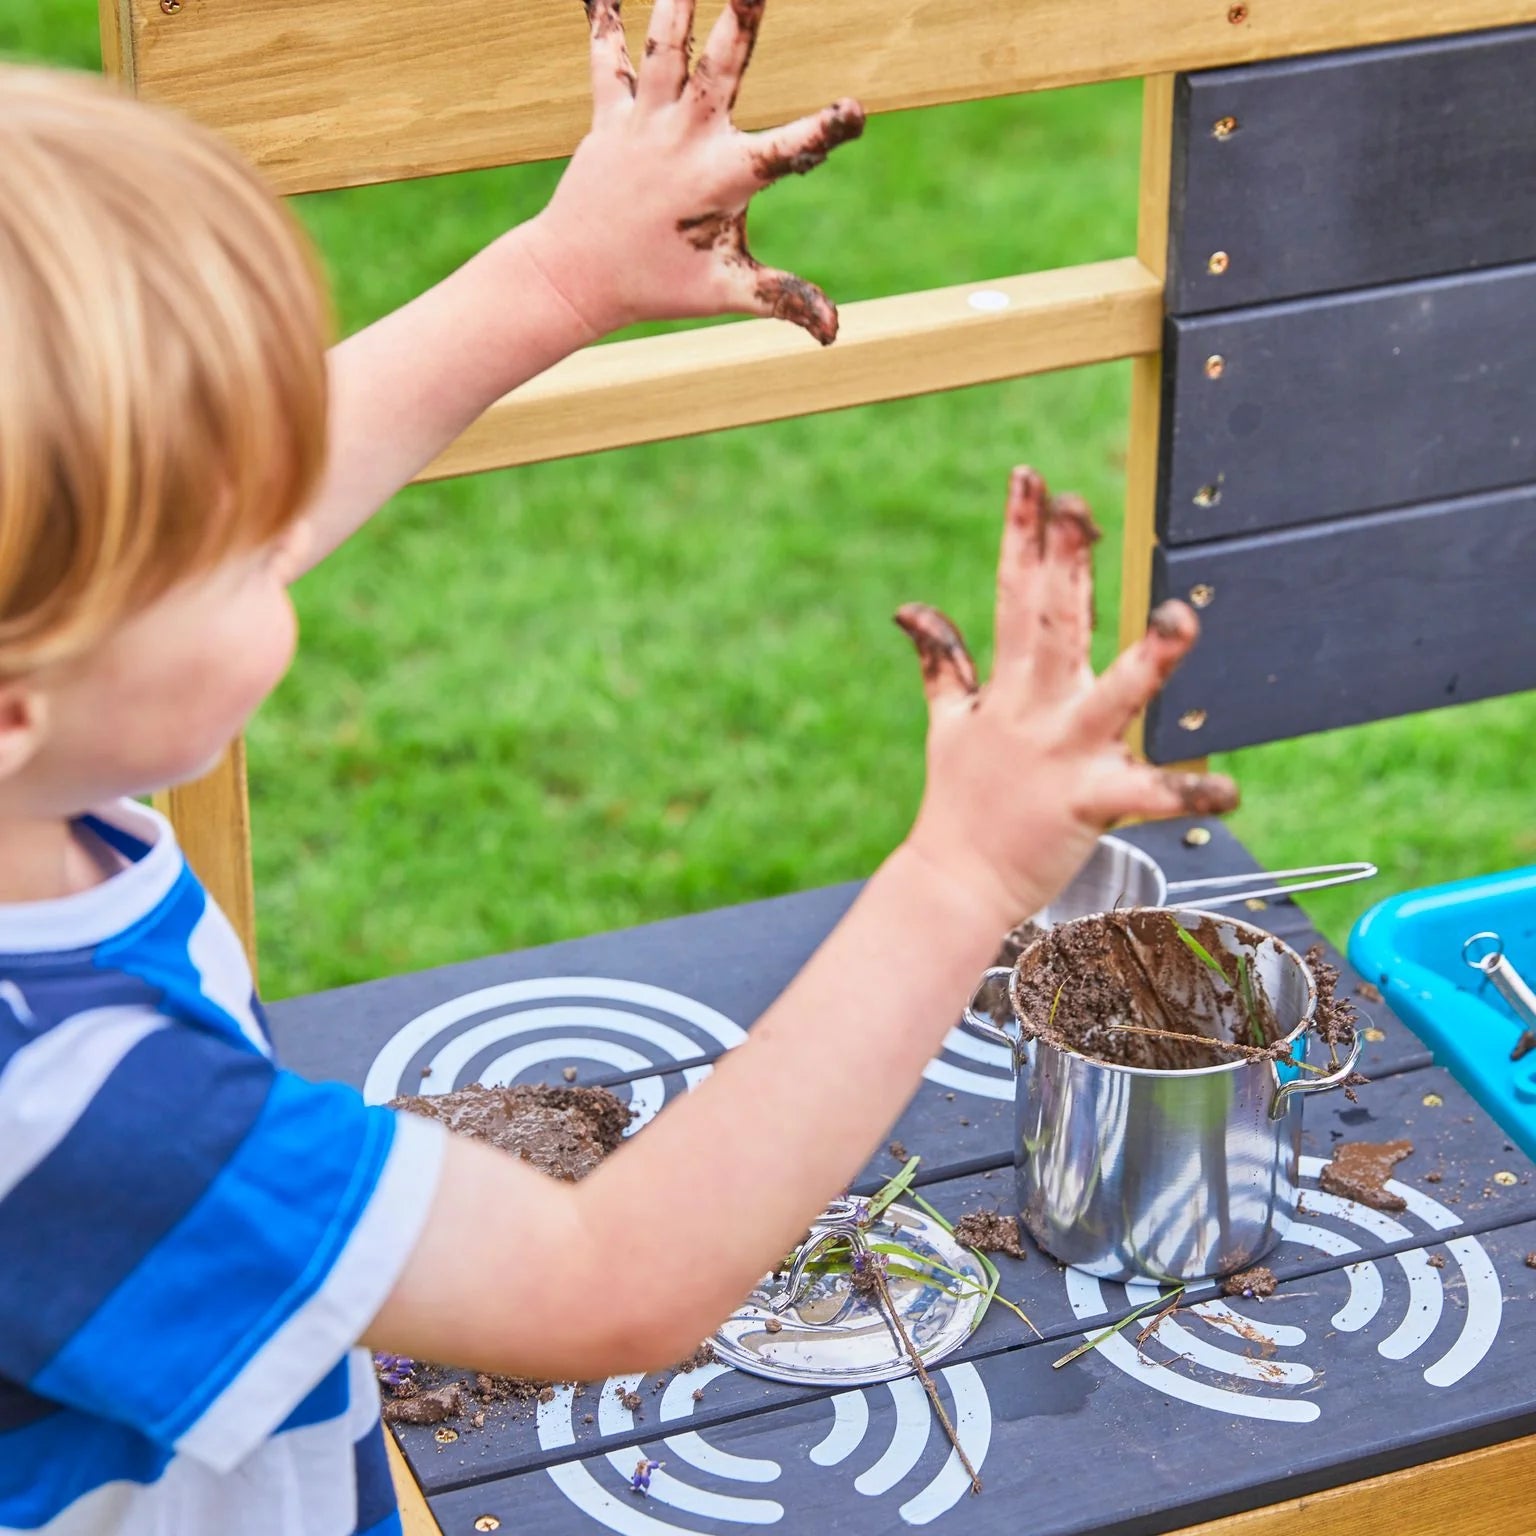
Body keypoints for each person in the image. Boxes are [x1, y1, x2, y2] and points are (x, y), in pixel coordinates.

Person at [0, 3, 1236, 1532]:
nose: (290, 520)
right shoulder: (77, 1113)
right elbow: (606, 1280)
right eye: (240, 549)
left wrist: (559, 273)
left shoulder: (40, 784)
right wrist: (963, 871)